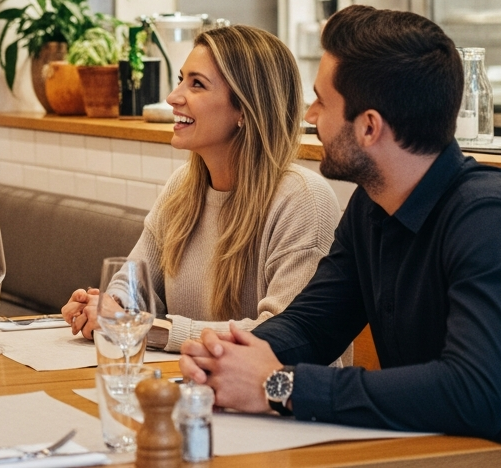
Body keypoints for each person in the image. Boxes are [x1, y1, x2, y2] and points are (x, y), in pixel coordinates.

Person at [180, 5, 501, 468]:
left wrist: (281, 386)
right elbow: (313, 324)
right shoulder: (373, 204)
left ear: (369, 126)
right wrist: (228, 359)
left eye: (321, 102)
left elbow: (472, 392)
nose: (310, 116)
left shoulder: (493, 220)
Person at [62, 25, 341, 353]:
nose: (173, 97)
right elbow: (134, 282)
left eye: (197, 84)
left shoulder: (303, 200)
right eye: (181, 79)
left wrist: (153, 329)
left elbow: (284, 335)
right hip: (194, 387)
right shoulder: (182, 187)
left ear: (243, 108)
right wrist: (105, 306)